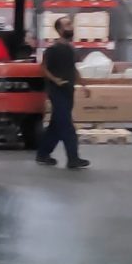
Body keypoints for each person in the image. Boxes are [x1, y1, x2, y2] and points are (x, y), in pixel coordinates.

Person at [35, 19, 89, 169]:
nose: (71, 27)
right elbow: (43, 68)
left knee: (56, 125)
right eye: (67, 25)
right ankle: (73, 158)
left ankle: (42, 154)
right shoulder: (53, 49)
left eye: (71, 24)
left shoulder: (71, 49)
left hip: (68, 90)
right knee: (66, 125)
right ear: (59, 30)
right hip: (56, 91)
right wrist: (55, 80)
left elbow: (73, 69)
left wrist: (83, 84)